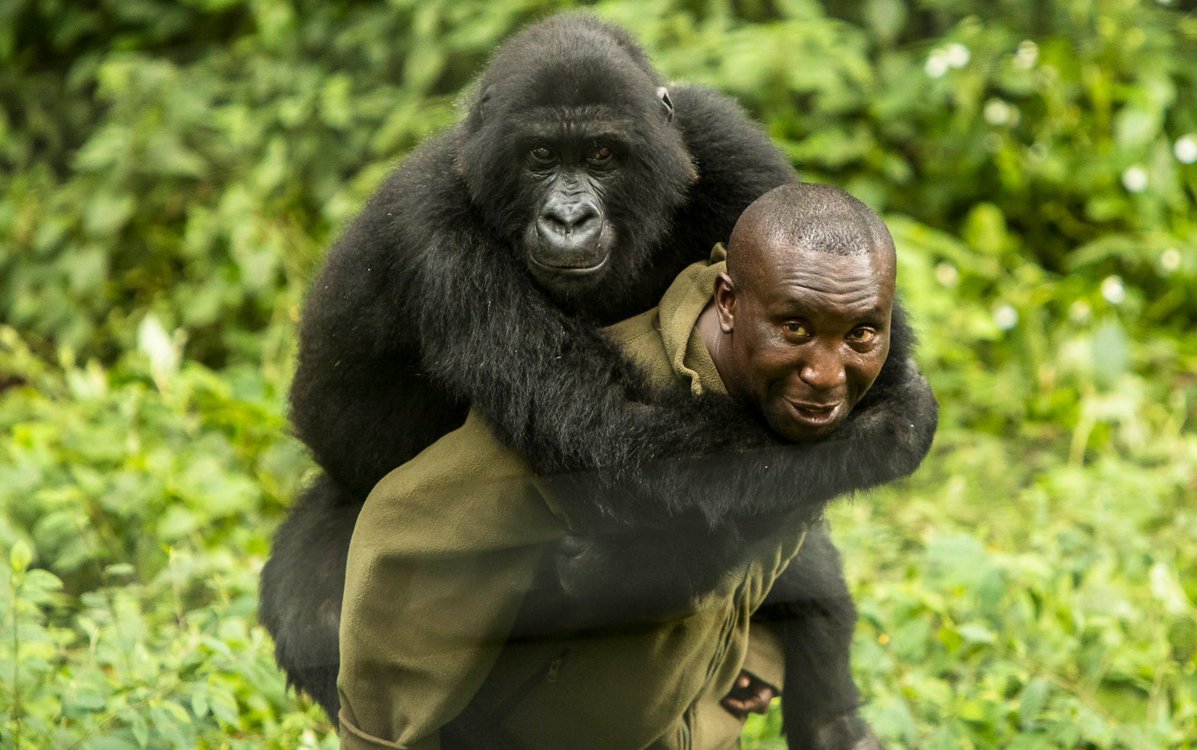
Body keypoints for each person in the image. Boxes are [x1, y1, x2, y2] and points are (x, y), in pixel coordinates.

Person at [337, 183, 926, 749]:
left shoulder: (811, 389)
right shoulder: (592, 419)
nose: (827, 374)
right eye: (794, 327)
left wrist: (759, 650)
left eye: (863, 333)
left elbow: (774, 526)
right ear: (727, 303)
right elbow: (405, 533)